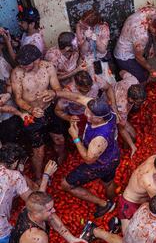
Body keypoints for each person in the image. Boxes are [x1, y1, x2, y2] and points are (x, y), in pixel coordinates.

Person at [41, 90, 120, 218]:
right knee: (108, 182)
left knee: (66, 185)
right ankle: (113, 202)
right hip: (113, 154)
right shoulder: (105, 111)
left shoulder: (100, 139)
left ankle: (104, 204)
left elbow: (89, 159)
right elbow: (77, 97)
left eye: (90, 114)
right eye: (87, 110)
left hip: (101, 164)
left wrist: (75, 137)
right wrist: (56, 93)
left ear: (100, 118)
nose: (86, 114)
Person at [10, 45, 65, 181]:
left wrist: (52, 94)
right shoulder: (17, 73)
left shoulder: (48, 67)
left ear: (37, 60)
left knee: (59, 139)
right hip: (30, 114)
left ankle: (61, 163)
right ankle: (39, 177)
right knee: (38, 150)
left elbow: (57, 87)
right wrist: (31, 109)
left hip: (49, 109)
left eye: (26, 64)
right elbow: (18, 99)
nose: (22, 66)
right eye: (20, 64)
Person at [0, 143, 57, 243]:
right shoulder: (14, 176)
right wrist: (46, 175)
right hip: (1, 231)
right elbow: (36, 202)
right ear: (15, 162)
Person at [5, 191, 88, 243]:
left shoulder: (29, 210)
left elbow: (52, 218)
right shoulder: (37, 237)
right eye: (49, 210)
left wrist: (71, 239)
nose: (54, 211)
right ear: (37, 214)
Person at [54, 70, 119, 133]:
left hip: (96, 110)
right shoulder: (68, 92)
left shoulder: (95, 79)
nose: (88, 91)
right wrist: (69, 118)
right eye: (84, 91)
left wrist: (113, 104)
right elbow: (58, 110)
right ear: (77, 85)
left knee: (106, 129)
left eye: (90, 88)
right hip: (80, 116)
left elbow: (108, 88)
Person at [114, 6, 156, 82]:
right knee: (142, 78)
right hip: (124, 57)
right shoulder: (142, 35)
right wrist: (151, 69)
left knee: (143, 69)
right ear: (150, 21)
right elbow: (138, 57)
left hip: (122, 44)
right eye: (155, 23)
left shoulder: (145, 12)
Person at [112, 70, 143, 158]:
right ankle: (125, 149)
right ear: (130, 99)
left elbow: (121, 72)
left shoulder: (133, 81)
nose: (139, 104)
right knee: (132, 136)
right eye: (137, 102)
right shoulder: (122, 107)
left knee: (133, 135)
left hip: (113, 89)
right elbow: (121, 128)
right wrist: (132, 146)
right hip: (110, 106)